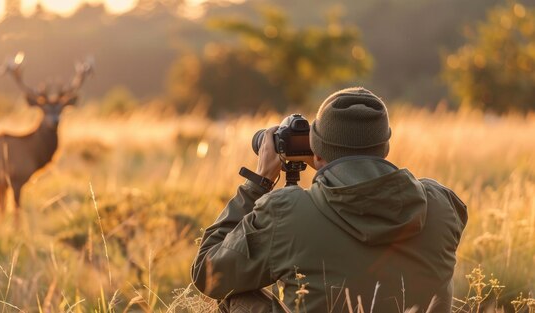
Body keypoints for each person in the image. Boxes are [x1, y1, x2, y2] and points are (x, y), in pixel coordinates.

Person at [191, 87, 468, 312]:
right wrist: (337, 169)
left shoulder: (286, 213)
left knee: (234, 293)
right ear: (385, 147)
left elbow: (208, 273)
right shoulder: (441, 203)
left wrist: (258, 183)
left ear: (317, 150)